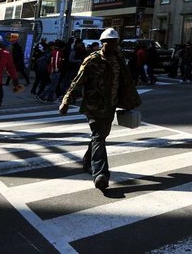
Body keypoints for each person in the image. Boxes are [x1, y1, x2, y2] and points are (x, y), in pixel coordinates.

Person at [59, 28, 141, 191]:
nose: (112, 45)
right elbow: (77, 80)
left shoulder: (119, 60)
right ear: (102, 43)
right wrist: (66, 101)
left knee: (101, 136)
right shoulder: (92, 59)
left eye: (114, 42)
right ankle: (100, 174)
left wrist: (129, 101)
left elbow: (125, 81)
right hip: (93, 105)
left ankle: (88, 160)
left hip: (110, 105)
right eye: (108, 42)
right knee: (99, 136)